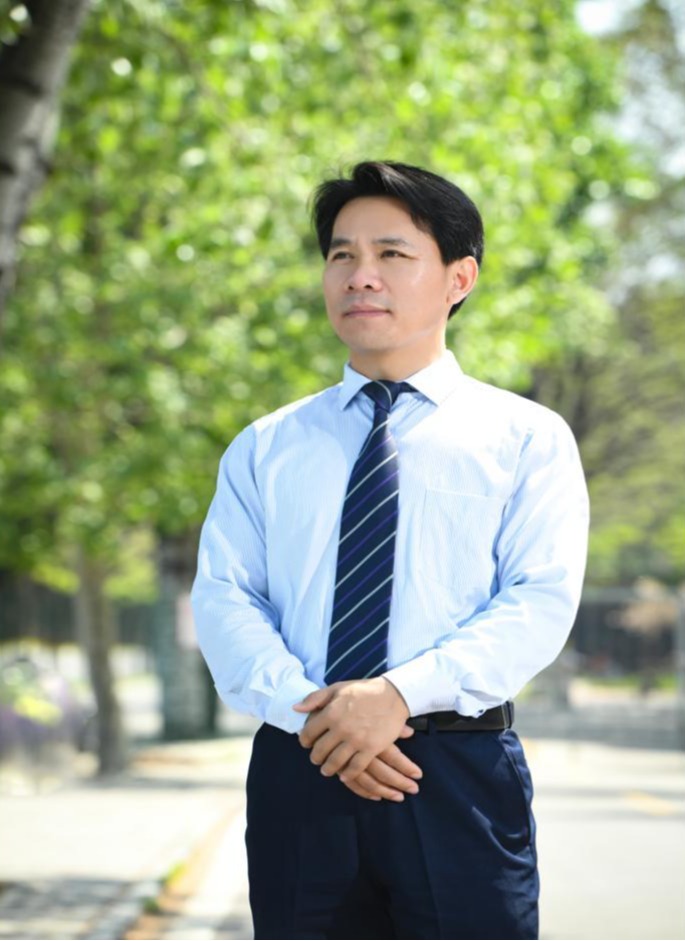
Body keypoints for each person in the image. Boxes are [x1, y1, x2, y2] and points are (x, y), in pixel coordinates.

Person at [191, 160, 589, 940]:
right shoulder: (266, 445)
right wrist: (319, 717)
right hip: (301, 762)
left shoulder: (524, 438)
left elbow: (537, 600)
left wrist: (397, 695)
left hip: (455, 770)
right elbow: (226, 596)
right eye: (341, 255)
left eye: (391, 254)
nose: (359, 276)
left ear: (458, 278)